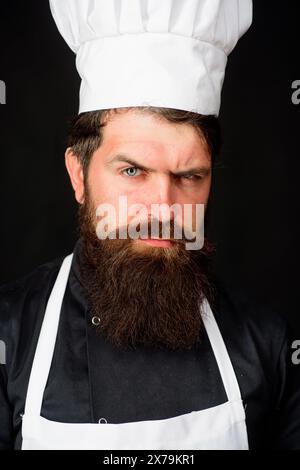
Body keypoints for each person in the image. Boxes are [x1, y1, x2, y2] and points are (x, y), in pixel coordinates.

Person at [1, 0, 299, 450]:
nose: (164, 208)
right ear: (78, 175)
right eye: (132, 171)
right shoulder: (9, 338)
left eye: (189, 176)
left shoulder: (269, 346)